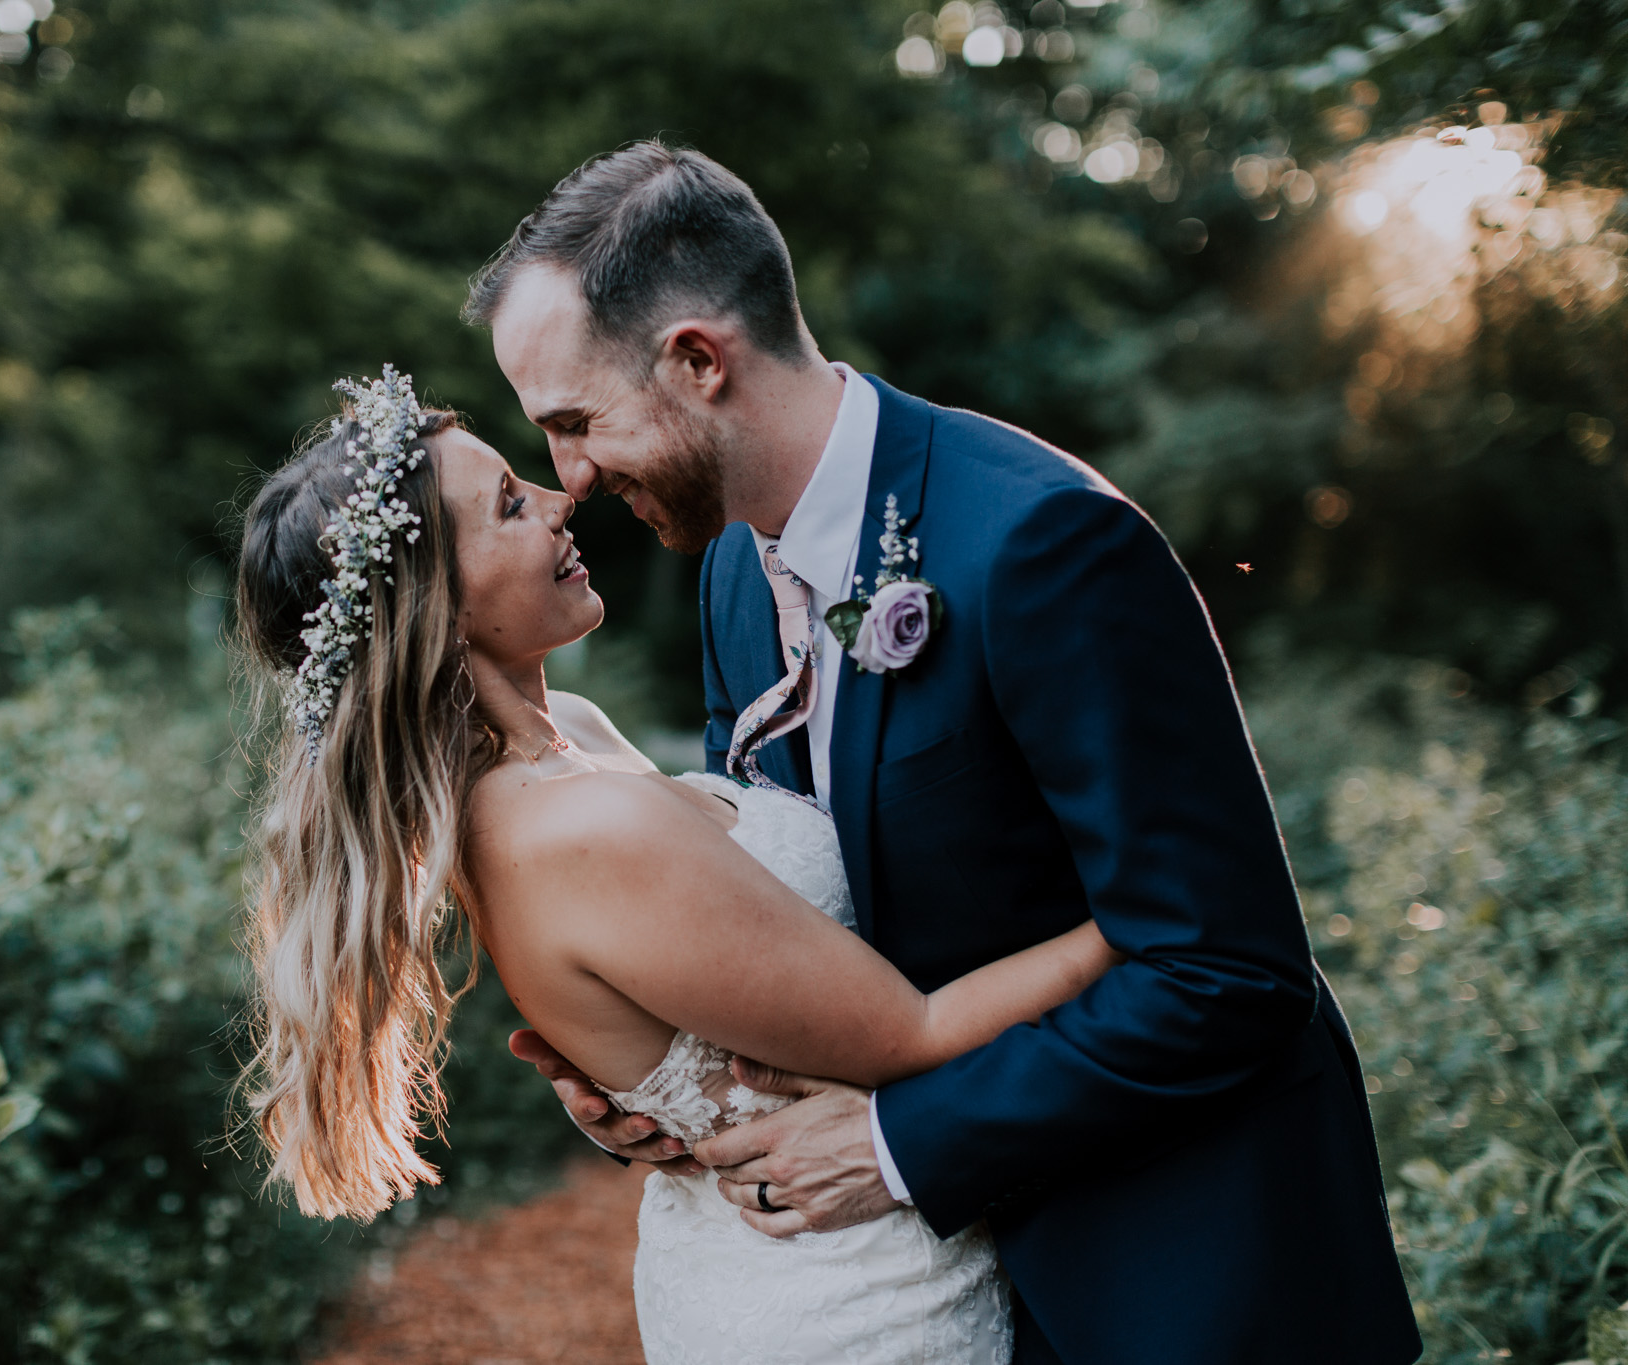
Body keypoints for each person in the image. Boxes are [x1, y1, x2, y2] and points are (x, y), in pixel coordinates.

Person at [463, 142, 1422, 1364]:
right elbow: (766, 914)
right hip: (919, 1298)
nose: (570, 477)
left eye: (575, 423)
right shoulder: (727, 581)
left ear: (698, 361)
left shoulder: (1040, 544)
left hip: (1177, 1273)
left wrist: (898, 1143)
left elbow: (1224, 968)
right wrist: (652, 1078)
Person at [232, 366, 1130, 1363]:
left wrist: (643, 1085)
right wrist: (1137, 917)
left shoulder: (563, 737)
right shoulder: (573, 827)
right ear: (436, 614)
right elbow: (909, 1035)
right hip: (841, 1304)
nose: (555, 495)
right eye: (507, 505)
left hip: (826, 1240)